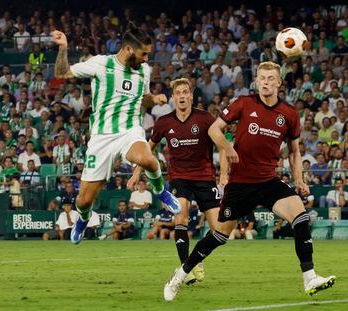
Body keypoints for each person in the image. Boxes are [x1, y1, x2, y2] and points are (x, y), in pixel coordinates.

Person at [164, 61, 335, 301]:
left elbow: (294, 152)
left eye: (269, 78)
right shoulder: (244, 103)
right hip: (241, 183)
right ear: (257, 80)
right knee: (220, 236)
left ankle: (310, 278)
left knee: (301, 216)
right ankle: (180, 275)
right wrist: (227, 147)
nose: (265, 82)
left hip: (268, 181)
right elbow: (214, 129)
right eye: (261, 78)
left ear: (278, 82)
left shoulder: (289, 113)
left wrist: (299, 179)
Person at [52, 24, 181, 244]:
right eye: (144, 54)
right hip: (102, 138)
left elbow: (143, 98)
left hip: (129, 131)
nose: (146, 59)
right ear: (129, 49)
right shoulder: (102, 64)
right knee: (83, 201)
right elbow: (62, 73)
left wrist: (154, 98)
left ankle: (162, 192)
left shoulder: (144, 70)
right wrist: (63, 48)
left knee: (147, 160)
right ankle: (83, 219)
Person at [129, 78, 227, 284]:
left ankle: (195, 260)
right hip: (179, 178)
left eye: (185, 92)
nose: (182, 96)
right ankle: (187, 270)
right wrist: (137, 172)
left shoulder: (205, 118)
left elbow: (223, 147)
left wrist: (224, 176)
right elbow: (148, 148)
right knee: (180, 218)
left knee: (219, 231)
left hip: (204, 178)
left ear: (191, 95)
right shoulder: (164, 122)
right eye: (178, 93)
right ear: (173, 98)